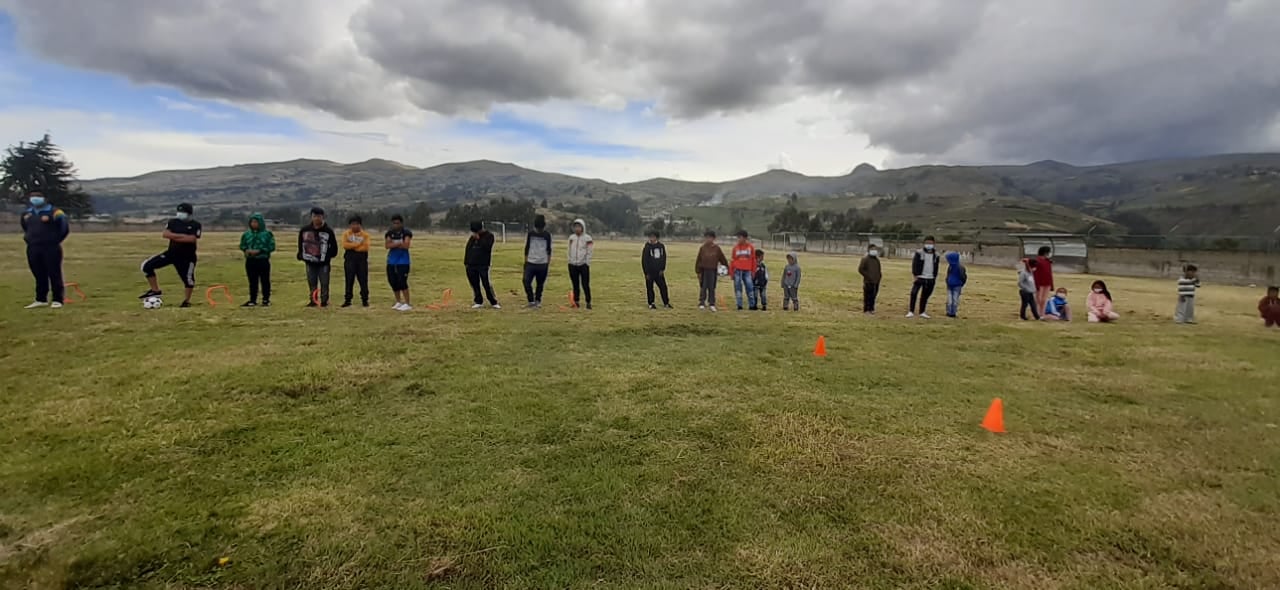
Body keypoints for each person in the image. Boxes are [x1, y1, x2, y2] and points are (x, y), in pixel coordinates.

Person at [139, 203, 202, 307]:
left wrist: (174, 236)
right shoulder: (173, 222)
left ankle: (186, 301)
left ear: (189, 213)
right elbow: (165, 234)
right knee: (147, 266)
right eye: (179, 211)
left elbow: (191, 239)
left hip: (187, 257)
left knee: (188, 280)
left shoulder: (196, 224)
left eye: (182, 212)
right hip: (171, 253)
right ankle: (155, 290)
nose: (180, 214)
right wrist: (183, 236)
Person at [20, 190, 70, 309]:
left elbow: (64, 228)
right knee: (38, 273)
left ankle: (57, 299)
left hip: (51, 247)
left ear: (44, 198)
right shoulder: (27, 213)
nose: (35, 199)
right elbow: (25, 227)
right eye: (32, 197)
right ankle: (41, 299)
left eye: (37, 197)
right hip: (33, 247)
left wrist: (55, 240)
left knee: (54, 272)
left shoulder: (55, 212)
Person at [297, 207, 338, 308]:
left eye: (319, 216)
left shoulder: (328, 231)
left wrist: (327, 256)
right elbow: (301, 244)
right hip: (310, 261)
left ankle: (324, 301)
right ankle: (313, 300)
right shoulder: (304, 230)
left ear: (323, 217)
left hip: (323, 263)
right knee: (312, 282)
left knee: (324, 282)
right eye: (314, 216)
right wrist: (301, 255)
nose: (317, 218)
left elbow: (334, 247)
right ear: (311, 217)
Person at [238, 212, 275, 307]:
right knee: (252, 281)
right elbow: (242, 245)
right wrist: (246, 250)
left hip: (262, 260)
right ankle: (252, 300)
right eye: (252, 222)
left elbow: (271, 246)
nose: (254, 224)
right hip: (250, 260)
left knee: (265, 280)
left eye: (256, 222)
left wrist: (260, 251)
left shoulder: (267, 234)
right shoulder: (246, 234)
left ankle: (266, 299)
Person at [465, 221, 500, 309]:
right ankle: (478, 301)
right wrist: (466, 262)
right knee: (474, 284)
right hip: (471, 264)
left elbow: (487, 247)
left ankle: (493, 301)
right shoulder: (472, 238)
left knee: (486, 283)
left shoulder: (489, 236)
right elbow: (468, 249)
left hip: (483, 264)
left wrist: (479, 239)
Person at [340, 215, 371, 308]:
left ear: (360, 225)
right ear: (350, 225)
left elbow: (365, 247)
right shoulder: (346, 234)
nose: (355, 226)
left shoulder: (365, 235)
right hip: (349, 260)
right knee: (349, 280)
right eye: (352, 224)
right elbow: (345, 245)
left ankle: (365, 300)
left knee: (363, 280)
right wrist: (357, 244)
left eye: (357, 224)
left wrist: (352, 246)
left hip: (362, 261)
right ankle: (348, 300)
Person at [385, 214, 414, 311]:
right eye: (394, 223)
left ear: (401, 223)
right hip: (391, 261)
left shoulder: (406, 233)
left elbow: (406, 245)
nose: (395, 225)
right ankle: (398, 301)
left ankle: (407, 303)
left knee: (402, 282)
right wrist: (399, 243)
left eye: (397, 223)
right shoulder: (389, 233)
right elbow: (387, 245)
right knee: (393, 281)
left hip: (403, 262)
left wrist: (394, 244)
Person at [523, 214, 552, 308]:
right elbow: (527, 248)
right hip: (530, 263)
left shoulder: (547, 235)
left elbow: (549, 249)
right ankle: (531, 300)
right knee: (526, 281)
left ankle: (538, 300)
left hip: (542, 263)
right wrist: (526, 261)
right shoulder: (531, 234)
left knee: (540, 284)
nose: (539, 230)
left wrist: (547, 263)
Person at [695, 230, 728, 312]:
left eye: (710, 238)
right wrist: (698, 271)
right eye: (706, 237)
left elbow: (722, 259)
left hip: (713, 270)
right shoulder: (702, 248)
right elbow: (698, 260)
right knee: (703, 287)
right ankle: (702, 302)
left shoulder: (717, 249)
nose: (708, 239)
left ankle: (712, 303)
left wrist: (726, 267)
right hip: (704, 270)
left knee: (712, 287)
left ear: (713, 238)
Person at [907, 236, 940, 318]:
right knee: (914, 293)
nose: (929, 245)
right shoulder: (919, 253)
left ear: (934, 243)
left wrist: (934, 276)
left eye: (930, 243)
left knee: (925, 295)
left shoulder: (936, 255)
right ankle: (911, 311)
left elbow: (936, 266)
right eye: (927, 243)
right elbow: (915, 264)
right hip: (920, 276)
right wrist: (915, 274)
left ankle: (922, 311)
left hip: (930, 277)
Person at [567, 218, 594, 309]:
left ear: (583, 227)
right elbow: (569, 250)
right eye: (575, 227)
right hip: (572, 264)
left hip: (583, 265)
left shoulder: (587, 238)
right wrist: (570, 260)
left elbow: (589, 251)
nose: (577, 229)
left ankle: (588, 302)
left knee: (585, 284)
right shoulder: (571, 238)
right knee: (575, 284)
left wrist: (587, 262)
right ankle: (576, 301)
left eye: (579, 227)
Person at [642, 230, 671, 309]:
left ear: (656, 237)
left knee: (663, 287)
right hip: (650, 272)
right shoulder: (647, 247)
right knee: (650, 288)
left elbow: (664, 258)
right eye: (650, 237)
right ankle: (651, 303)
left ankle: (666, 303)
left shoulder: (661, 246)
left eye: (653, 237)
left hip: (659, 272)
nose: (651, 238)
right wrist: (646, 273)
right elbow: (644, 261)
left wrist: (662, 269)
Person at [729, 230, 757, 310]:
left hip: (747, 271)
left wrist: (753, 271)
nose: (738, 239)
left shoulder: (750, 247)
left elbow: (753, 260)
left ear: (745, 238)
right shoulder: (735, 248)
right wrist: (731, 273)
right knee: (738, 288)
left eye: (740, 237)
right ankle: (739, 305)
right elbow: (732, 260)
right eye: (738, 237)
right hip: (737, 271)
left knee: (750, 287)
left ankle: (752, 305)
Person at [858, 245, 882, 315]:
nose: (874, 251)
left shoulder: (876, 260)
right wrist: (868, 276)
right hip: (868, 281)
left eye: (875, 249)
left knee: (873, 295)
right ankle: (866, 309)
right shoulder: (865, 259)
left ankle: (872, 308)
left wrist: (879, 276)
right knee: (867, 296)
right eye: (872, 249)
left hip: (876, 281)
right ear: (869, 250)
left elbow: (879, 269)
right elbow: (861, 269)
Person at [944, 251, 967, 318]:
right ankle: (949, 312)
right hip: (950, 285)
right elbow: (948, 275)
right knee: (949, 300)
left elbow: (963, 276)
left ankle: (953, 312)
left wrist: (961, 283)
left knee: (955, 300)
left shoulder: (960, 267)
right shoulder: (950, 267)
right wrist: (947, 281)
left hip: (957, 286)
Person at [1034, 246, 1055, 315]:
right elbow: (1035, 274)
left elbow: (1049, 274)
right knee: (1038, 299)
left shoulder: (1048, 261)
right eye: (1049, 252)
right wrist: (1036, 284)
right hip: (1040, 283)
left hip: (1047, 283)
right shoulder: (1037, 261)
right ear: (1045, 253)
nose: (1050, 254)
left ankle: (1042, 313)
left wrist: (1051, 284)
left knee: (1044, 299)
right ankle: (1036, 313)